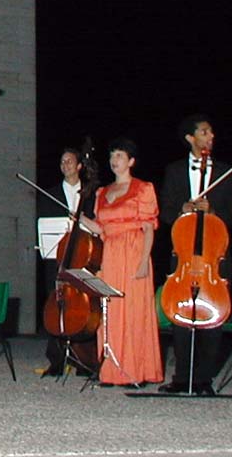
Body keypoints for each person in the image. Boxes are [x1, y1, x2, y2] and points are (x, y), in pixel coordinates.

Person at [158, 115, 232, 395]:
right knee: (180, 317)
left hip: (214, 258)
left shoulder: (228, 172)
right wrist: (182, 209)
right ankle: (182, 378)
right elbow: (166, 211)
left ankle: (204, 379)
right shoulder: (174, 171)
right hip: (183, 255)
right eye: (204, 132)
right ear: (190, 138)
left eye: (211, 132)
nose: (210, 136)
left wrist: (213, 211)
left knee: (213, 317)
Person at [92, 138, 162, 386]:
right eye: (112, 155)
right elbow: (100, 228)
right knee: (110, 309)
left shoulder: (143, 188)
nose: (114, 160)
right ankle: (110, 371)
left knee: (133, 310)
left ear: (131, 161)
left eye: (120, 155)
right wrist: (78, 219)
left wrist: (143, 261)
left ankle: (136, 370)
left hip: (133, 251)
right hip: (110, 253)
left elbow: (148, 227)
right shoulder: (102, 192)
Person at [40, 148, 99, 377]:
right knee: (56, 305)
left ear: (79, 166)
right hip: (58, 257)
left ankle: (84, 359)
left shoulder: (91, 194)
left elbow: (97, 223)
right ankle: (56, 359)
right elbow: (45, 224)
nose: (65, 165)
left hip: (83, 256)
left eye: (70, 161)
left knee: (84, 308)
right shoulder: (50, 194)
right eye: (62, 162)